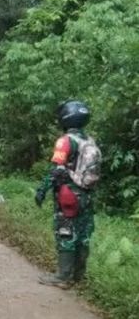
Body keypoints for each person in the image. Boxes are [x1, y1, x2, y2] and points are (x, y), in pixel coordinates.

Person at [35, 100, 101, 289]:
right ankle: (78, 276)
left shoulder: (65, 141)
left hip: (68, 196)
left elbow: (56, 170)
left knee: (66, 232)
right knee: (83, 233)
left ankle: (63, 277)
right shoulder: (89, 141)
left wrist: (42, 190)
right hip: (87, 195)